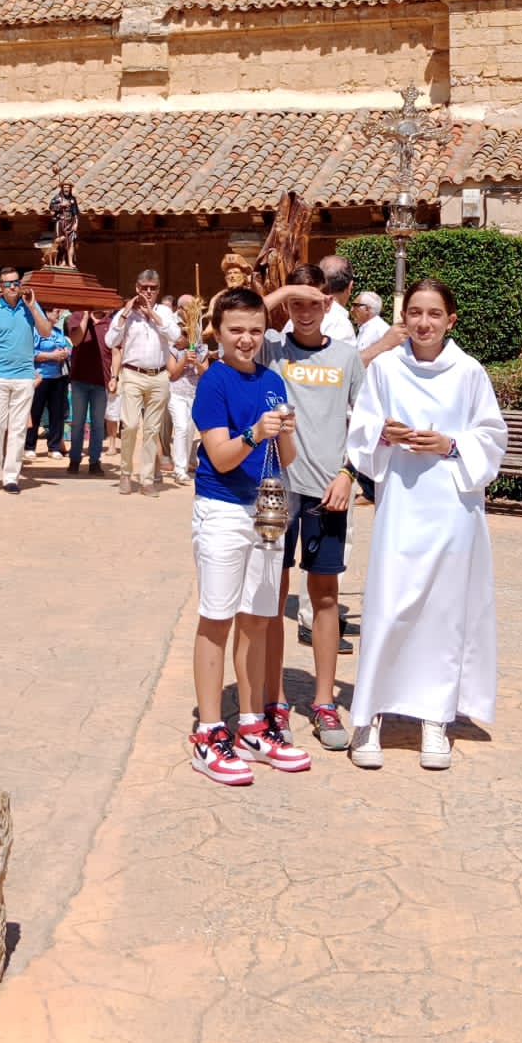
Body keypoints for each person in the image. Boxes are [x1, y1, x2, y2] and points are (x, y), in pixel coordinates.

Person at [344, 278, 509, 771]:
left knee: (443, 610)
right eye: (415, 312)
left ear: (450, 320)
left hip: (454, 508)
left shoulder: (469, 372)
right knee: (388, 605)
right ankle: (368, 715)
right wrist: (383, 435)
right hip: (402, 505)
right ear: (404, 317)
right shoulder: (387, 368)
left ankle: (434, 720)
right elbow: (361, 428)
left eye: (434, 314)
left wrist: (450, 445)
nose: (423, 323)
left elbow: (492, 436)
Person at [188, 286, 309, 784]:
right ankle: (210, 731)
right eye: (236, 330)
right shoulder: (212, 383)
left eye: (256, 331)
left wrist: (282, 432)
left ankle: (254, 724)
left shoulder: (273, 380)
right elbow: (220, 456)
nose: (246, 339)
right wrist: (255, 433)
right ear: (217, 331)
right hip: (221, 508)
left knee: (258, 619)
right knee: (217, 618)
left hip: (265, 510)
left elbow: (291, 459)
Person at [261, 266, 364, 753]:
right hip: (277, 489)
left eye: (313, 302)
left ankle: (323, 701)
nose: (304, 311)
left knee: (323, 596)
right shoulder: (270, 350)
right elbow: (230, 318)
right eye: (295, 304)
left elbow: (365, 427)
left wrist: (349, 474)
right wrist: (284, 291)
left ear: (329, 305)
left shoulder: (346, 358)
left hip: (328, 492)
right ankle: (275, 700)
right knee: (273, 594)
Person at [0, 267, 53, 494]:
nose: (12, 287)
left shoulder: (29, 306)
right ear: (0, 287)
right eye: (7, 283)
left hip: (24, 377)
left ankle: (11, 477)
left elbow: (47, 331)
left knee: (18, 429)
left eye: (15, 283)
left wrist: (32, 306)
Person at [108, 271, 181, 496]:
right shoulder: (125, 312)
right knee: (129, 425)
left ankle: (147, 479)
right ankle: (125, 473)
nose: (148, 292)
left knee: (152, 430)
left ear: (158, 289)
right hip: (132, 374)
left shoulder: (165, 312)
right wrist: (125, 315)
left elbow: (176, 336)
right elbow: (110, 340)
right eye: (144, 287)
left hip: (158, 375)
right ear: (137, 287)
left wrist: (154, 316)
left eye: (153, 288)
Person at [65, 307, 112, 475]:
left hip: (101, 381)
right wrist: (85, 317)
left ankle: (94, 461)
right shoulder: (76, 317)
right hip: (80, 379)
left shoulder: (110, 322)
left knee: (98, 425)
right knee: (77, 423)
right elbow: (76, 340)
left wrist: (114, 378)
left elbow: (116, 350)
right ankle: (75, 460)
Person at [167, 296, 208, 484]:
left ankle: (186, 464)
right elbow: (172, 373)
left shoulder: (200, 346)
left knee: (191, 429)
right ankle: (179, 470)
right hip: (176, 392)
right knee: (181, 427)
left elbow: (205, 371)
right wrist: (185, 360)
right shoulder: (173, 344)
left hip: (194, 393)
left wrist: (196, 362)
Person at [26, 311, 71, 459]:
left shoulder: (58, 332)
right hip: (40, 377)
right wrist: (51, 356)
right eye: (55, 311)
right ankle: (29, 446)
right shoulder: (35, 331)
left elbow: (66, 348)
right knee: (35, 412)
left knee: (57, 413)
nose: (58, 314)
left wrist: (64, 353)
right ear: (46, 313)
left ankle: (54, 447)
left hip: (58, 377)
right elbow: (31, 353)